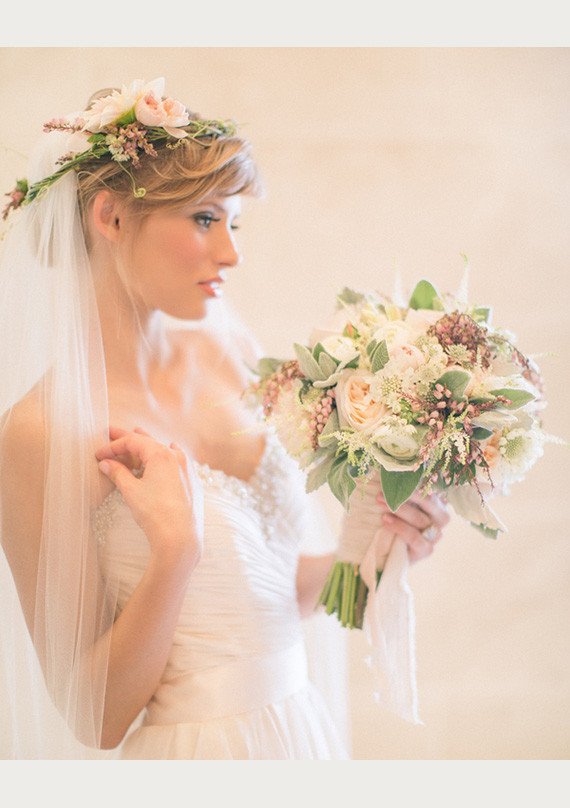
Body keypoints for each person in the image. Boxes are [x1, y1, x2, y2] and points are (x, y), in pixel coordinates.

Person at [0, 78, 449, 760]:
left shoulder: (228, 358)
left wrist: (376, 547)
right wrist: (175, 552)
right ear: (110, 217)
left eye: (233, 224)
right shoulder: (43, 430)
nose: (232, 254)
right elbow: (93, 718)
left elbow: (268, 601)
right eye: (206, 219)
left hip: (302, 736)